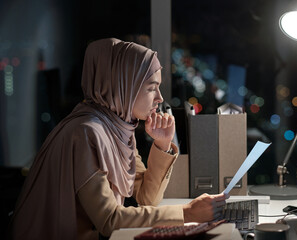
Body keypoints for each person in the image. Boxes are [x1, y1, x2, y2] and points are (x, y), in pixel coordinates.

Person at [9, 38, 227, 240]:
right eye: (152, 87)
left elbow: (147, 198)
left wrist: (162, 144)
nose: (160, 98)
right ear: (124, 87)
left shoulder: (118, 127)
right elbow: (109, 220)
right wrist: (187, 213)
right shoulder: (86, 132)